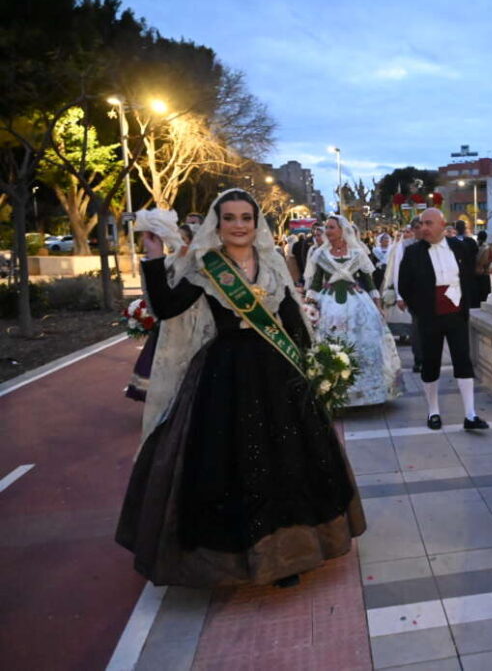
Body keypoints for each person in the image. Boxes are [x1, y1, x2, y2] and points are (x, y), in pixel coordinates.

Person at [116, 189, 364, 588]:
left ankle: (288, 555)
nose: (238, 225)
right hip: (223, 374)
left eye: (245, 217)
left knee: (286, 460)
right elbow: (166, 308)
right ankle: (232, 556)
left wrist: (314, 367)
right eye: (229, 218)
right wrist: (153, 254)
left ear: (256, 223)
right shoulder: (205, 266)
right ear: (218, 223)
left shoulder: (273, 264)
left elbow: (291, 320)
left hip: (278, 372)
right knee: (229, 462)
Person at [398, 208, 488, 430]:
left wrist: (466, 302)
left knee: (463, 361)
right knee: (431, 363)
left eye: (429, 223)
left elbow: (468, 276)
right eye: (422, 224)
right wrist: (420, 310)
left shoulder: (460, 247)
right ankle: (433, 411)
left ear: (442, 225)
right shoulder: (413, 253)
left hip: (456, 314)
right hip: (429, 316)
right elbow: (404, 286)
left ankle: (470, 414)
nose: (424, 228)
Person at [305, 215, 401, 406]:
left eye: (331, 227)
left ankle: (368, 391)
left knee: (364, 342)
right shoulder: (321, 255)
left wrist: (378, 305)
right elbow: (316, 283)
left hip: (357, 305)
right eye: (326, 228)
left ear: (342, 230)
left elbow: (368, 282)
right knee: (332, 344)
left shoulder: (357, 254)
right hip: (329, 306)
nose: (327, 231)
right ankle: (334, 390)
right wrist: (309, 304)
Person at [125, 224, 195, 403]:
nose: (178, 243)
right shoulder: (168, 262)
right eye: (176, 239)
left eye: (183, 239)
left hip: (190, 328)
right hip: (168, 326)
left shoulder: (198, 266)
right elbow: (154, 295)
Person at [384, 218, 424, 371]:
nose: (424, 229)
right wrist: (400, 296)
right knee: (417, 327)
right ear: (414, 230)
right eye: (420, 227)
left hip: (430, 294)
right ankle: (419, 359)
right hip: (414, 294)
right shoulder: (404, 246)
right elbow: (398, 272)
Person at [474, 230, 492, 304]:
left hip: (474, 271)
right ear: (486, 238)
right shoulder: (487, 248)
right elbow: (486, 261)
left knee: (476, 292)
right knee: (483, 293)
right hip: (483, 272)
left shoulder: (474, 245)